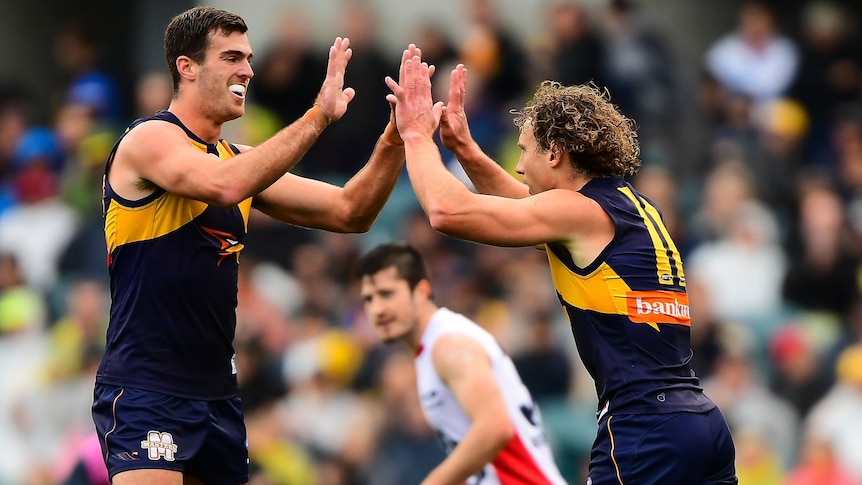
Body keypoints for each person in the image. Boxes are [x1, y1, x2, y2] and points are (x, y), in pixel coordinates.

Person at [92, 6, 414, 485]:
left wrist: (398, 137)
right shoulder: (150, 139)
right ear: (187, 66)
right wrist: (318, 117)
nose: (248, 69)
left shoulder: (237, 161)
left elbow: (352, 211)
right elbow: (224, 186)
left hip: (218, 395)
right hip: (146, 387)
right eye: (231, 57)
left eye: (248, 57)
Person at [384, 52, 738, 484]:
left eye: (524, 150)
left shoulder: (579, 213)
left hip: (644, 428)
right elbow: (524, 210)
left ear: (555, 154)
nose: (517, 164)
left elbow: (446, 212)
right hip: (699, 422)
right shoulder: (631, 206)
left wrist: (418, 137)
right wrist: (466, 152)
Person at [356, 242, 568, 485]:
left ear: (421, 291)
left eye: (387, 294)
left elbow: (495, 428)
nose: (377, 309)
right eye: (368, 299)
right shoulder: (434, 347)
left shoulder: (449, 346)